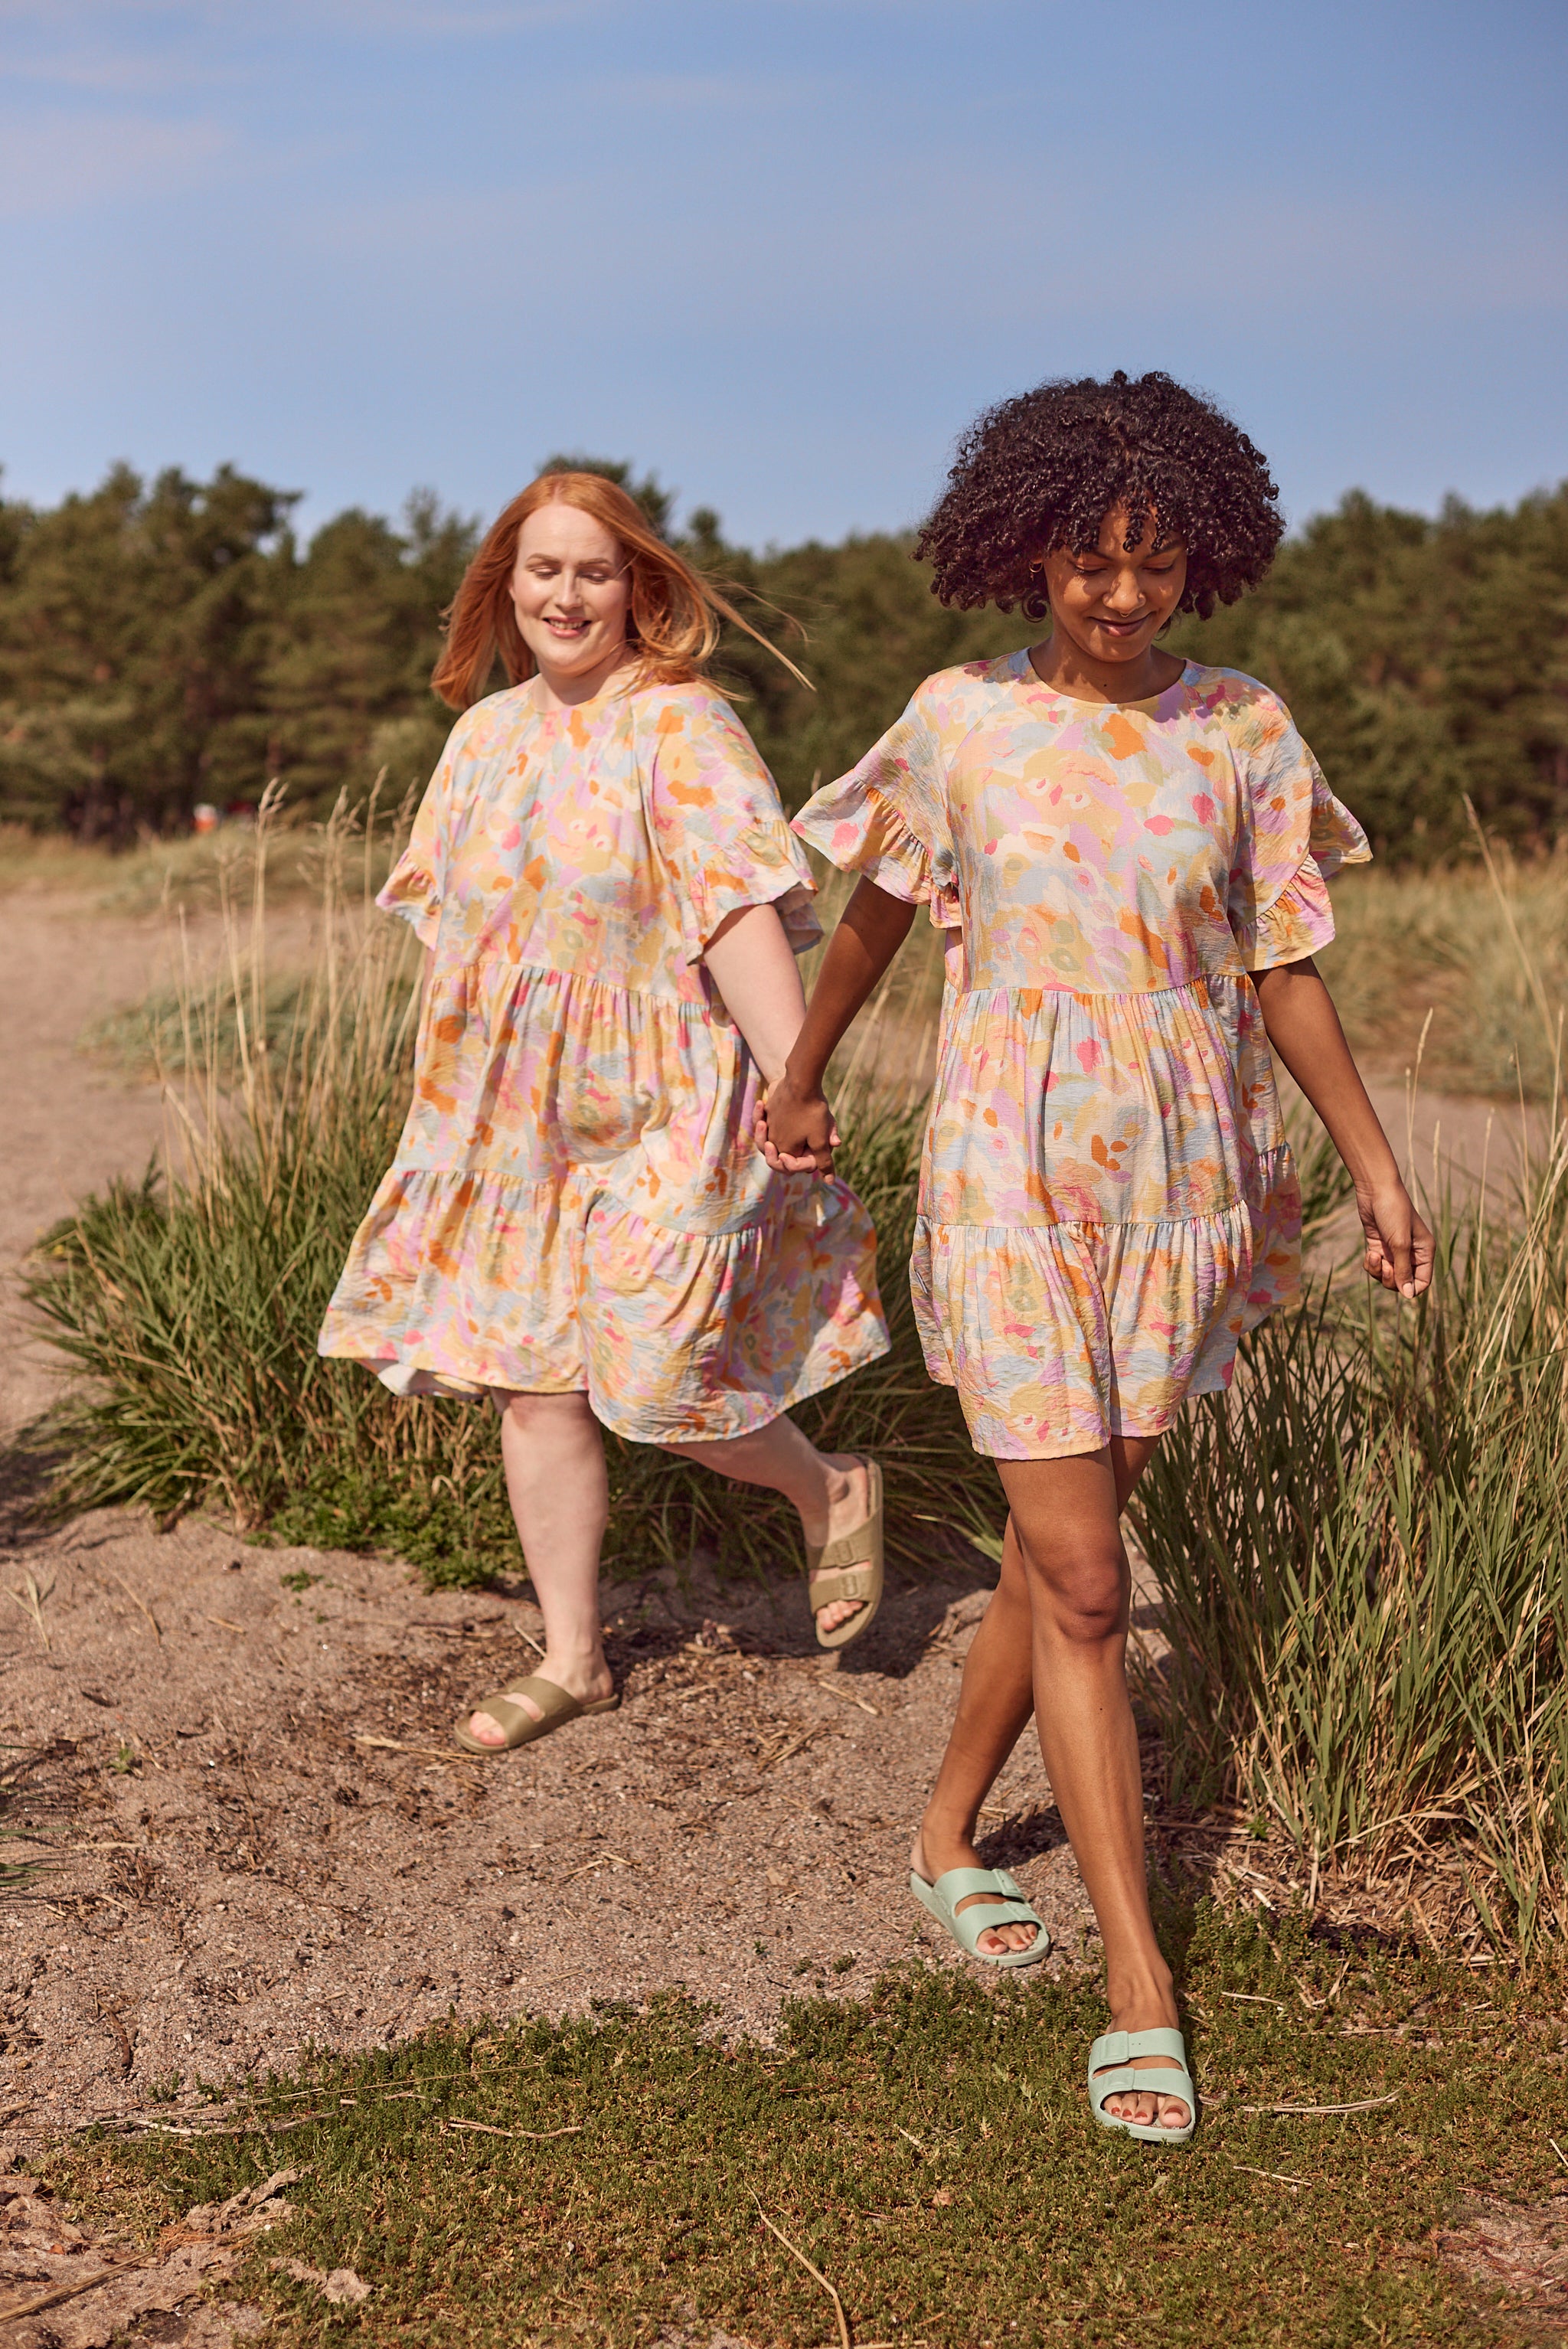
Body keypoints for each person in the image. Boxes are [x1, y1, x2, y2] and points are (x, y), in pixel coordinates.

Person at [759, 372, 1434, 2147]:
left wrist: (1374, 1169)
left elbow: (1284, 966)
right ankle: (1140, 1985)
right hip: (1007, 1172)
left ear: (1206, 560)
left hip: (1186, 1185)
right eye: (1089, 562)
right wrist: (803, 1072)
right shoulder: (957, 720)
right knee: (1080, 1580)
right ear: (1027, 551)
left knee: (1064, 1551)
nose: (1122, 596)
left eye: (1155, 564)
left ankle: (939, 1834)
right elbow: (875, 913)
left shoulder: (1243, 729)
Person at [319, 469, 890, 1754]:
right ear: (506, 585)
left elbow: (735, 912)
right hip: (510, 1114)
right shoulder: (484, 737)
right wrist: (451, 1105)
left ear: (640, 587)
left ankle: (828, 1485)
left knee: (662, 1373)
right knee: (533, 1385)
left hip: (669, 1093)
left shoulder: (681, 726)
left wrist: (793, 1076)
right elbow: (462, 942)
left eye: (594, 571)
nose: (566, 596)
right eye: (544, 570)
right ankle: (574, 1659)